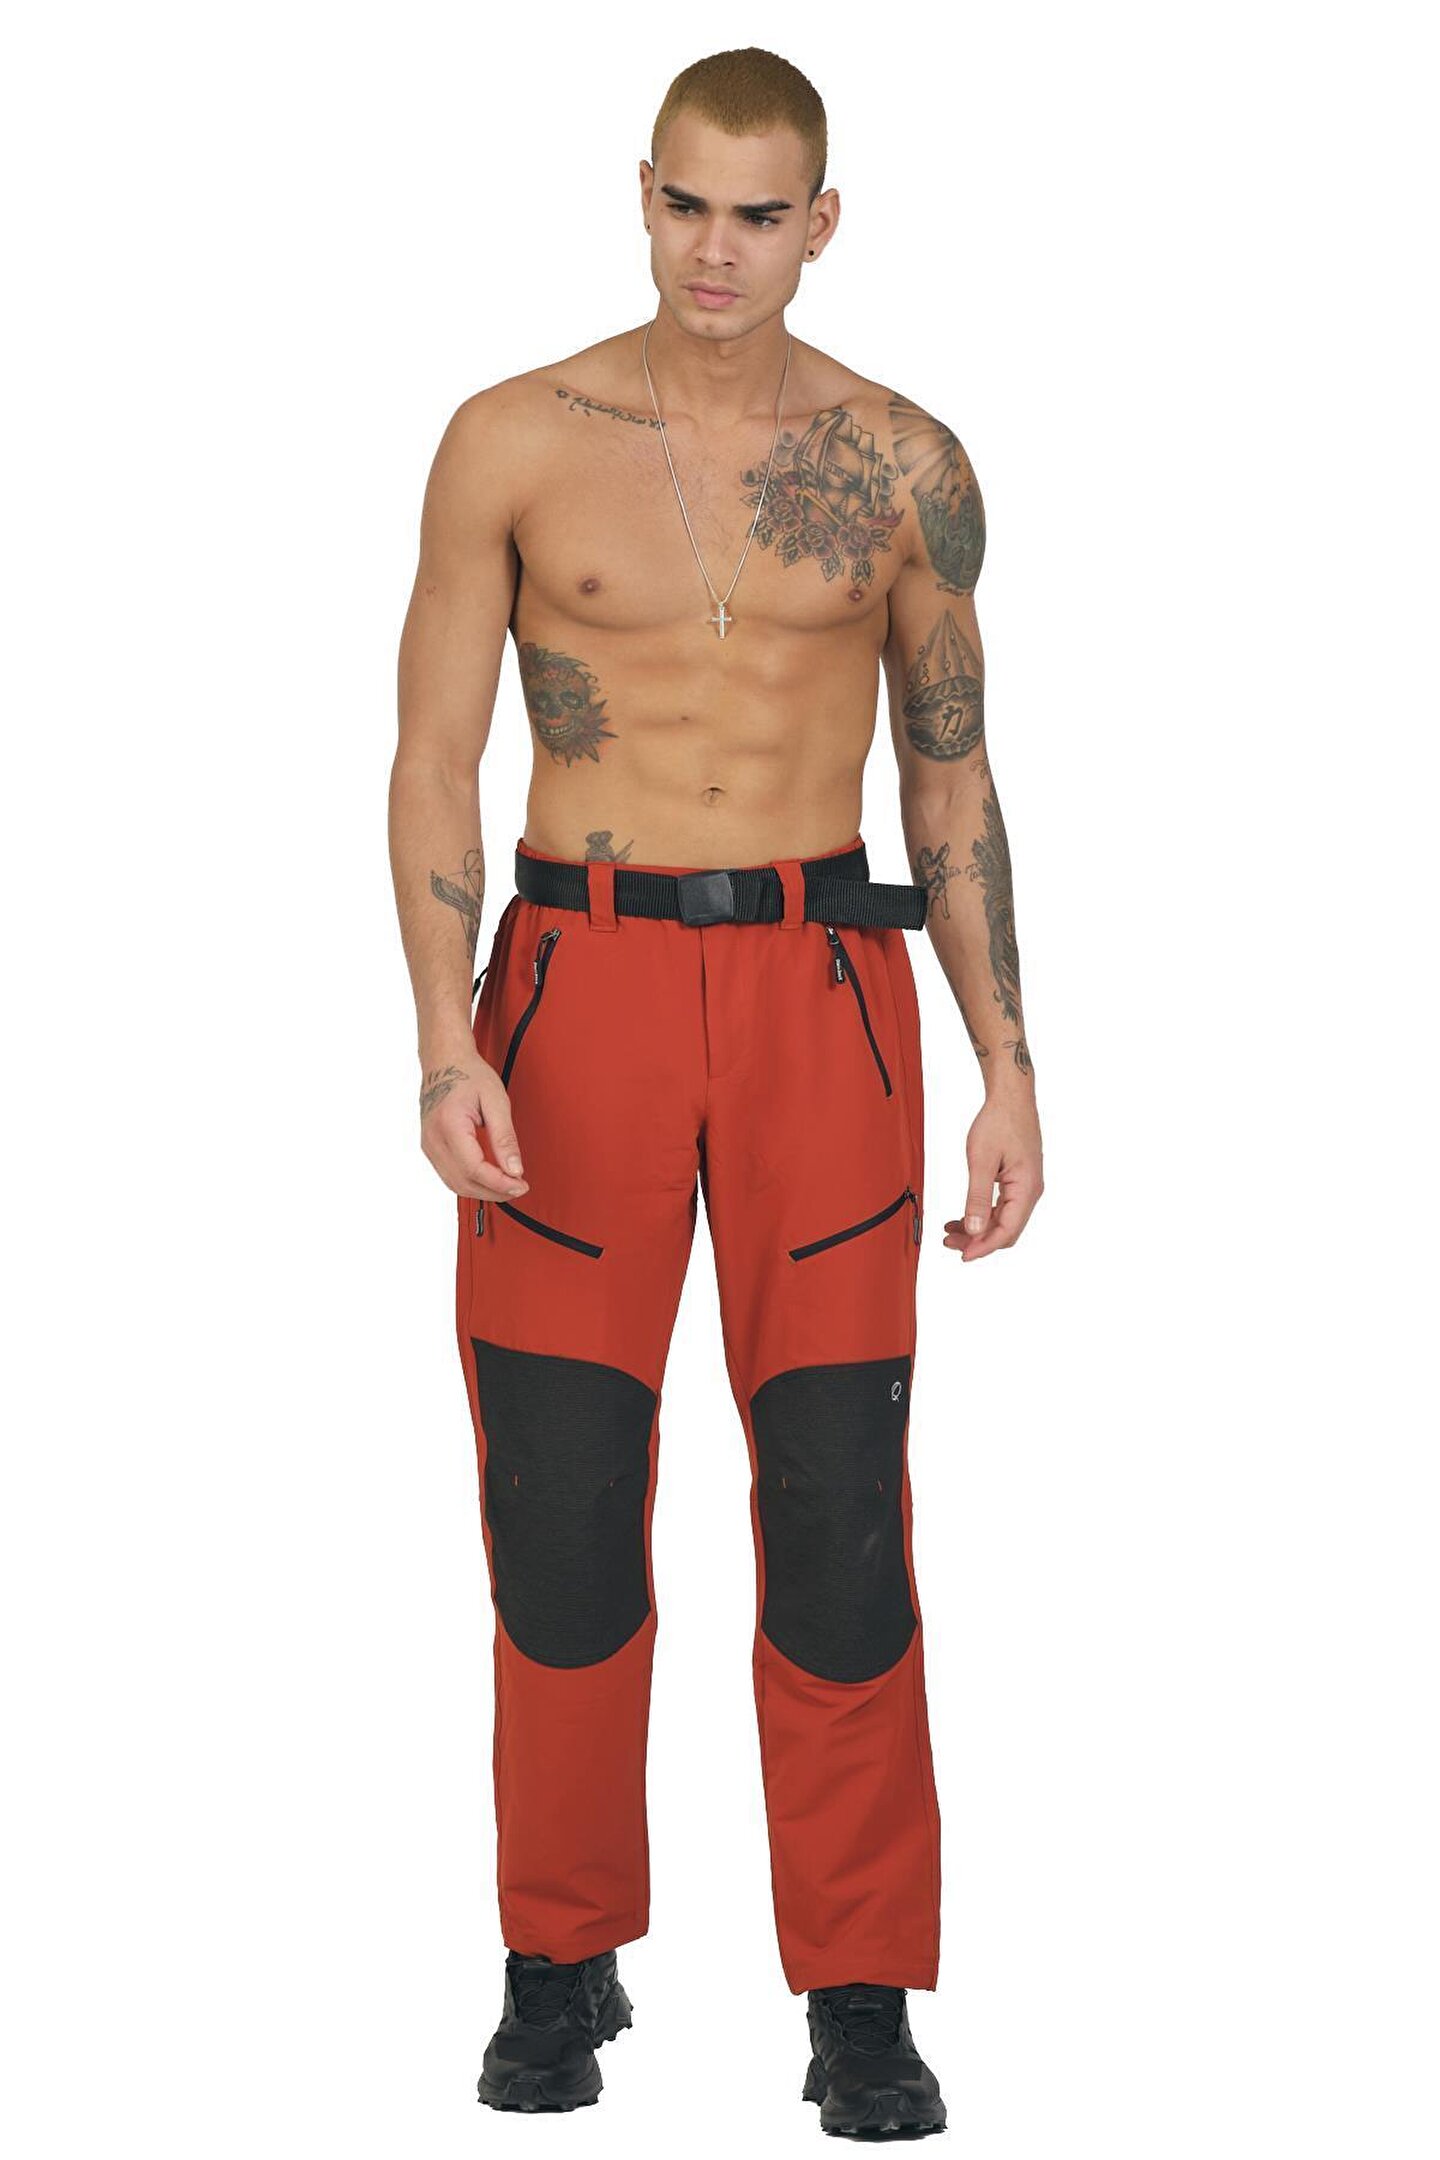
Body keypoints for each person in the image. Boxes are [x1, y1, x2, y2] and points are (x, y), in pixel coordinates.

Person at [388, 44, 1043, 2137]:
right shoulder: (514, 439)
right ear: (644, 194)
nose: (717, 249)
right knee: (560, 1490)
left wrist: (1006, 1065)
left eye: (761, 214)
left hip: (818, 997)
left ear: (820, 221)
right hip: (573, 987)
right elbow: (432, 759)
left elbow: (951, 775)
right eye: (687, 204)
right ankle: (557, 1957)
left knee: (840, 1495)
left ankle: (860, 1987)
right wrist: (446, 1035)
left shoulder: (903, 462)